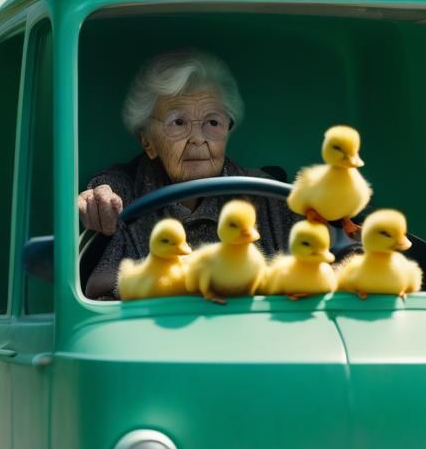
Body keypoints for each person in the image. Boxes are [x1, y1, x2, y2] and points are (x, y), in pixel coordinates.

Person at [79, 49, 297, 299]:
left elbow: (335, 262)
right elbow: (100, 298)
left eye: (212, 123)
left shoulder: (267, 195)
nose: (197, 139)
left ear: (227, 130)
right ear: (147, 141)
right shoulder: (122, 195)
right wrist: (98, 202)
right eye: (178, 123)